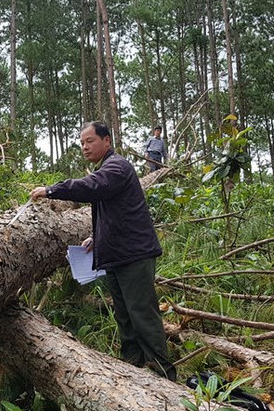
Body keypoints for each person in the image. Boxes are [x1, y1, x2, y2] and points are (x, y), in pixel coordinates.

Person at [30, 121, 176, 381]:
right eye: (82, 143)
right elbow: (115, 214)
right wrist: (97, 238)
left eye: (90, 141)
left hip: (133, 256)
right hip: (118, 256)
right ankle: (134, 368)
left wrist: (52, 190)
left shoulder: (116, 167)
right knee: (125, 318)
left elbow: (92, 187)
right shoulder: (109, 169)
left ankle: (163, 375)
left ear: (106, 141)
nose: (85, 147)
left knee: (141, 314)